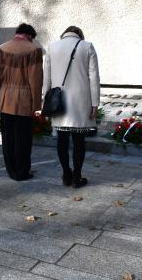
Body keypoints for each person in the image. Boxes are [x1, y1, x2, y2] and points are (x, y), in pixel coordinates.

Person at [43, 26, 100, 188]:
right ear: (79, 35)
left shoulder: (52, 47)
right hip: (81, 101)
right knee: (79, 140)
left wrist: (45, 100)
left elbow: (46, 76)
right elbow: (94, 77)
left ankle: (66, 174)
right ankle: (77, 176)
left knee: (61, 140)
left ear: (64, 34)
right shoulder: (87, 46)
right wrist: (95, 103)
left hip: (58, 101)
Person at [0, 23, 43, 181]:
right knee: (23, 138)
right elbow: (35, 80)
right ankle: (22, 172)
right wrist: (36, 105)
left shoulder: (2, 48)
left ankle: (11, 169)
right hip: (23, 100)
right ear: (29, 35)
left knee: (8, 138)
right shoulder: (33, 50)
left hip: (5, 98)